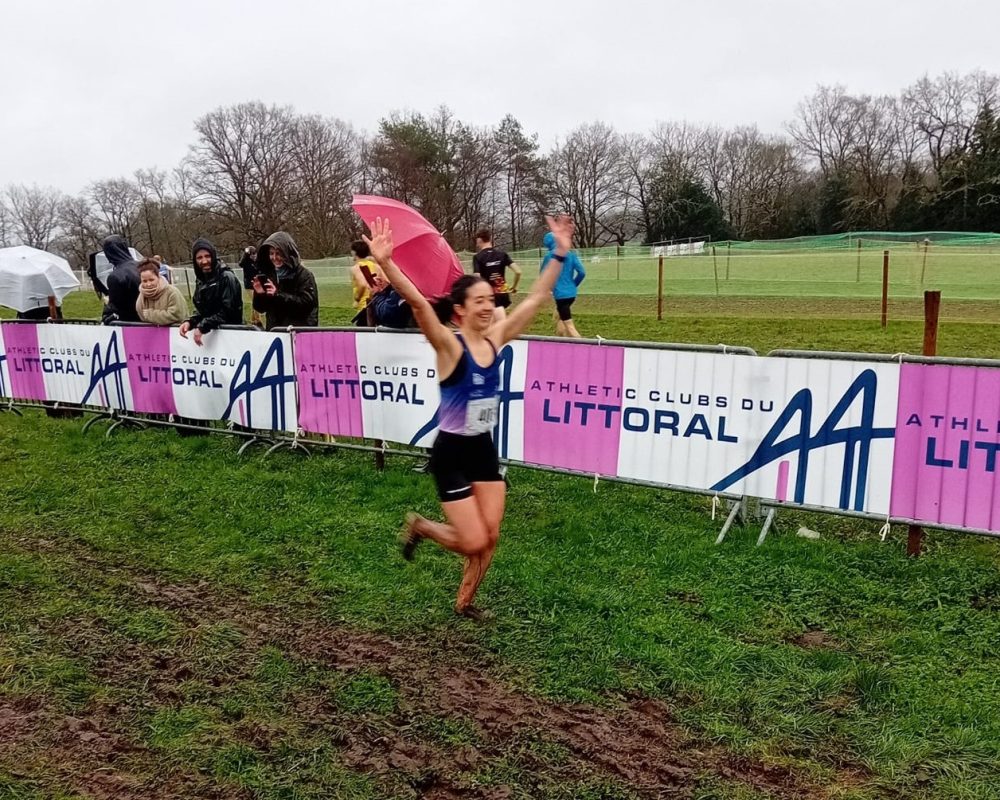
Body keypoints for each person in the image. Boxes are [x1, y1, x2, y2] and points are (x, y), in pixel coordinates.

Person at [364, 213, 573, 621]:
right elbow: (421, 305)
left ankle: (464, 603)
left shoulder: (496, 339)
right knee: (474, 538)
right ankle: (423, 527)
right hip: (452, 456)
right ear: (459, 310)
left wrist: (560, 252)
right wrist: (387, 263)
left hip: (482, 449)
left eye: (489, 299)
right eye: (478, 300)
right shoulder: (448, 347)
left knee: (490, 536)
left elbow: (533, 298)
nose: (488, 304)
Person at [178, 238, 243, 346]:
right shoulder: (201, 280)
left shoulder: (227, 277)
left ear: (213, 256)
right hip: (211, 341)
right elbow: (202, 309)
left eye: (207, 256)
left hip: (231, 338)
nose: (204, 261)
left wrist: (203, 326)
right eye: (199, 257)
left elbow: (229, 312)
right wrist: (190, 322)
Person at [251, 232, 319, 329]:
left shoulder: (304, 275)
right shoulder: (271, 275)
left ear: (287, 253)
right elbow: (261, 308)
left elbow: (307, 306)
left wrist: (278, 295)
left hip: (297, 332)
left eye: (278, 253)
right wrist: (260, 294)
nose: (274, 258)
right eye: (271, 253)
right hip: (275, 331)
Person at [541, 230, 585, 337]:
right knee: (560, 317)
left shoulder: (549, 257)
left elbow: (542, 276)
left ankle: (584, 347)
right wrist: (573, 285)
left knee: (569, 325)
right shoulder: (570, 255)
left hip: (560, 296)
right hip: (572, 294)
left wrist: (549, 289)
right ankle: (560, 341)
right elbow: (582, 273)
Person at [472, 229, 521, 321]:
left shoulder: (477, 257)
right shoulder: (502, 254)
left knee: (492, 325)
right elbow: (518, 272)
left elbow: (477, 277)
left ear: (479, 240)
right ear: (490, 239)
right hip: (502, 291)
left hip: (488, 294)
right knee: (498, 321)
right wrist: (513, 287)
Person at [101, 235, 141, 323]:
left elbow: (116, 308)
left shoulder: (114, 276)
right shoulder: (144, 267)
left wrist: (107, 306)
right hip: (151, 320)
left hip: (129, 323)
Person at [136, 258, 188, 325]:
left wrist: (150, 314)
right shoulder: (141, 296)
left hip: (174, 334)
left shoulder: (172, 292)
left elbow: (177, 315)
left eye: (151, 280)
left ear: (158, 276)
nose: (148, 284)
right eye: (144, 281)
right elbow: (142, 315)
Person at [350, 240, 381, 325]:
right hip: (377, 303)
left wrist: (357, 299)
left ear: (354, 252)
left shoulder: (357, 267)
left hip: (365, 305)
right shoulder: (375, 266)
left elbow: (362, 284)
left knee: (363, 332)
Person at [238, 246, 263, 326]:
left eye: (255, 254)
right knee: (254, 300)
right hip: (249, 285)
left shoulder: (256, 262)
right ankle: (256, 319)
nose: (254, 256)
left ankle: (254, 319)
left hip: (256, 284)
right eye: (252, 254)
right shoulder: (246, 262)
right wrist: (245, 253)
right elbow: (240, 264)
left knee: (255, 301)